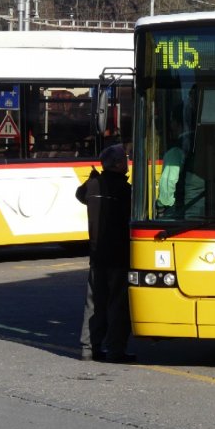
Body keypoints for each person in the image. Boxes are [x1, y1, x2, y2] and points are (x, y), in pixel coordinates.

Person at [76, 144, 135, 363]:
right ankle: (115, 350)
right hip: (119, 255)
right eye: (126, 159)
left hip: (97, 254)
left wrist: (91, 178)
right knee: (118, 304)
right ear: (119, 164)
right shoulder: (124, 190)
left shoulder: (92, 186)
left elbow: (79, 194)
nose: (128, 162)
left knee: (94, 303)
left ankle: (88, 348)